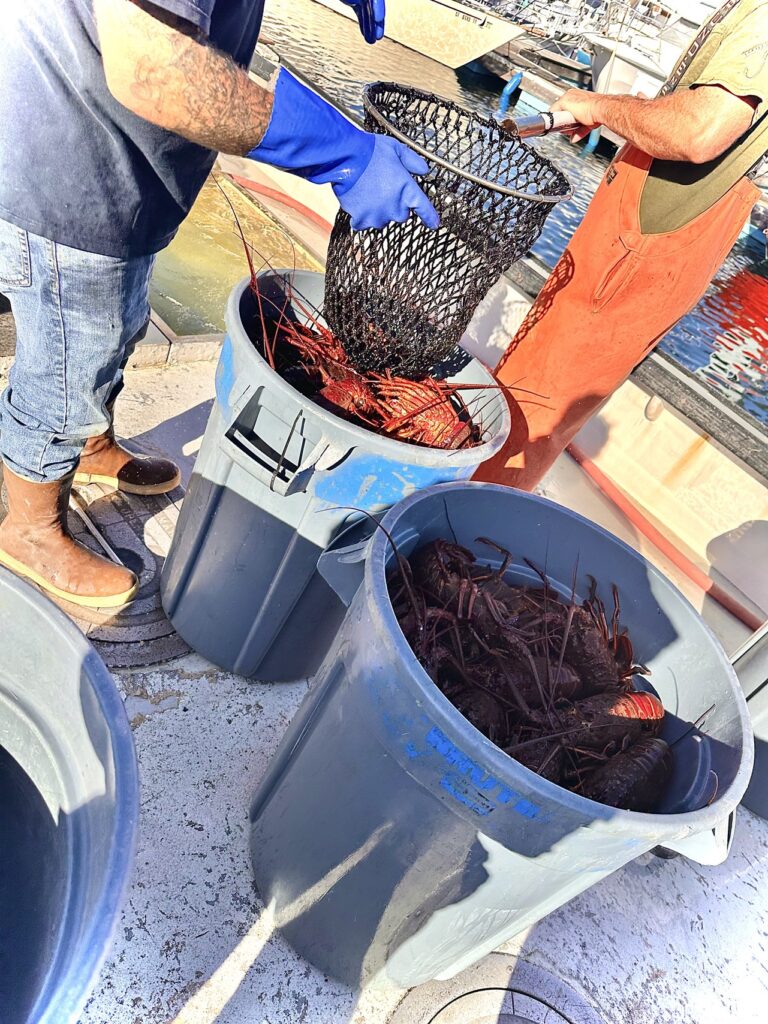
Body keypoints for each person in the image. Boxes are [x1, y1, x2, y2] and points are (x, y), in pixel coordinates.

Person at [0, 0, 438, 608]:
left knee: (118, 328)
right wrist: (345, 155)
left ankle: (91, 443)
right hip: (67, 166)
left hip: (123, 171)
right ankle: (29, 528)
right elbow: (157, 69)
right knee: (71, 365)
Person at [476, 0, 768, 493]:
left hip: (648, 236)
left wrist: (597, 105)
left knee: (533, 403)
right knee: (540, 389)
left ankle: (455, 521)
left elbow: (698, 132)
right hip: (652, 230)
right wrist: (634, 115)